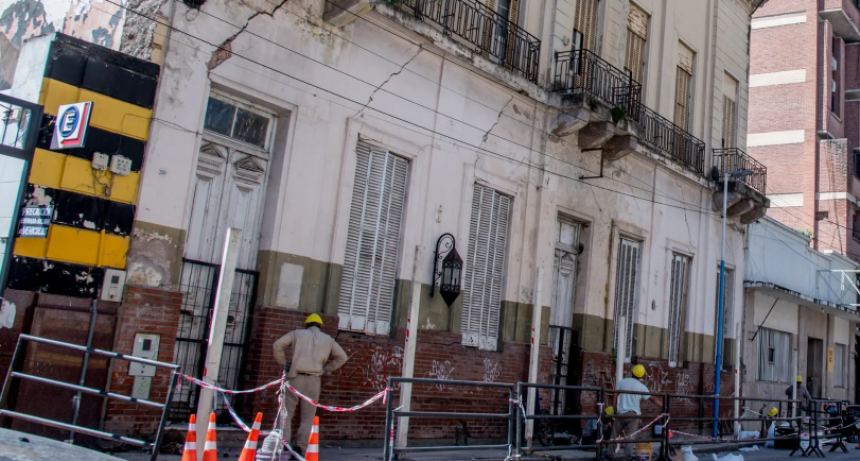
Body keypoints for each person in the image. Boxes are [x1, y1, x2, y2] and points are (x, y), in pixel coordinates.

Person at [273, 314, 348, 457]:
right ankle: (300, 448)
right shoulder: (328, 340)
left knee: (286, 414)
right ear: (320, 326)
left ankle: (283, 445)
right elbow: (342, 357)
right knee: (307, 417)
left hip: (294, 378)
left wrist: (283, 363)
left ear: (306, 325)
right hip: (314, 380)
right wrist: (327, 369)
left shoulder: (297, 334)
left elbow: (277, 344)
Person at [608, 364, 662, 460]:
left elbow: (615, 394)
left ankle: (610, 455)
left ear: (632, 372)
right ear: (641, 376)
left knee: (615, 434)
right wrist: (664, 406)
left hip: (621, 413)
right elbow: (652, 398)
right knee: (630, 436)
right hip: (633, 415)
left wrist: (615, 409)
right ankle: (627, 457)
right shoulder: (641, 386)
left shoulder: (622, 382)